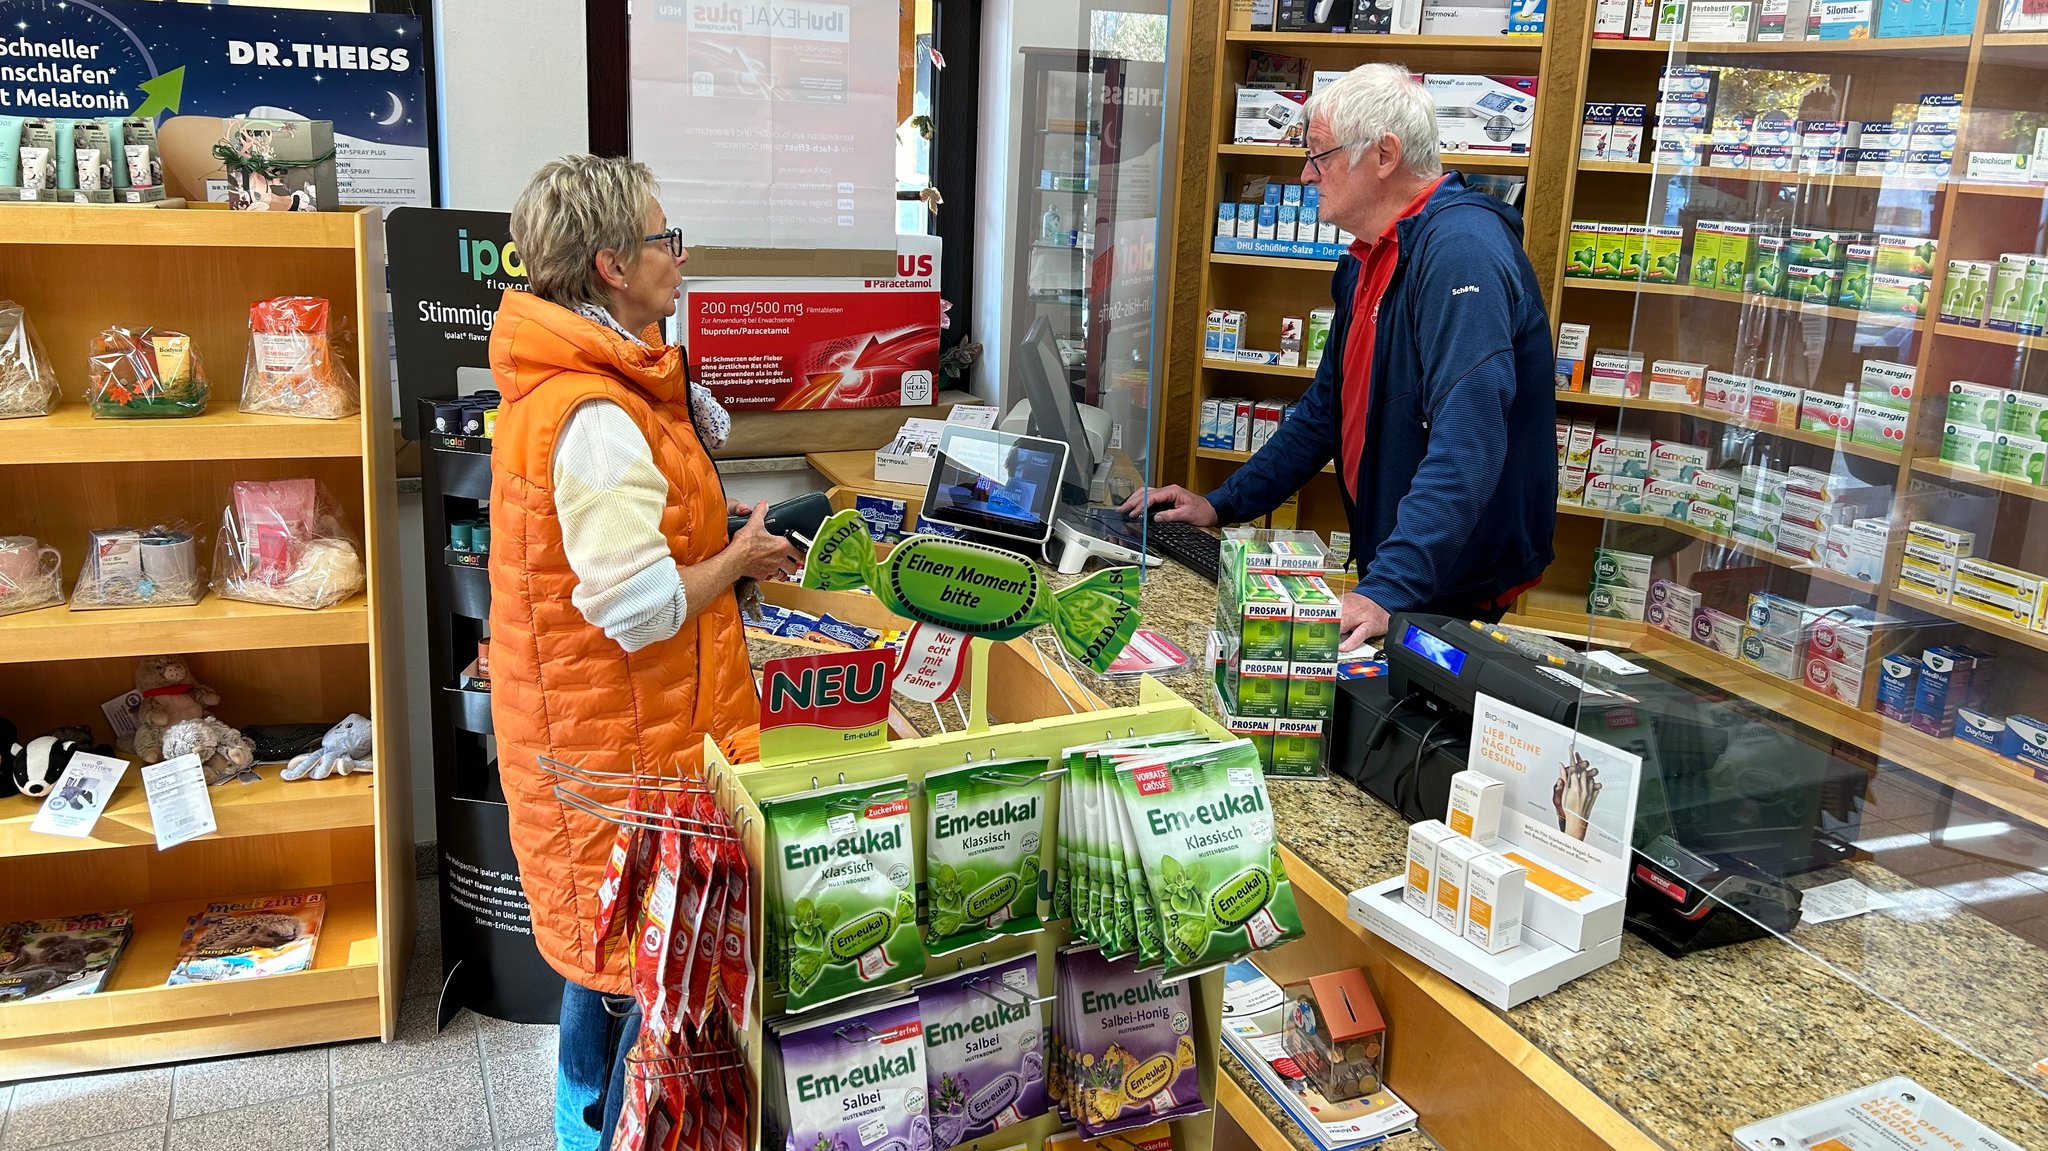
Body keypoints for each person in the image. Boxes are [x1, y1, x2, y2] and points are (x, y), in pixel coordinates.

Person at [486, 154, 797, 1151]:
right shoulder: (594, 415)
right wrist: (741, 557)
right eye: (666, 238)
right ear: (612, 264)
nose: (681, 255)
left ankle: (579, 1122)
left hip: (611, 737)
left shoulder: (599, 379)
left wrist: (717, 537)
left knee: (606, 956)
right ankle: (599, 1131)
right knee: (640, 977)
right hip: (625, 754)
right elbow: (640, 607)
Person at [1125, 64, 1556, 648]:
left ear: (1383, 154)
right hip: (1404, 566)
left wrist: (1389, 587)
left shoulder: (1461, 254)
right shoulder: (1365, 258)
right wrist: (1220, 505)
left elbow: (1470, 442)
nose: (1306, 174)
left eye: (1320, 156)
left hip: (1453, 576)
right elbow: (1326, 410)